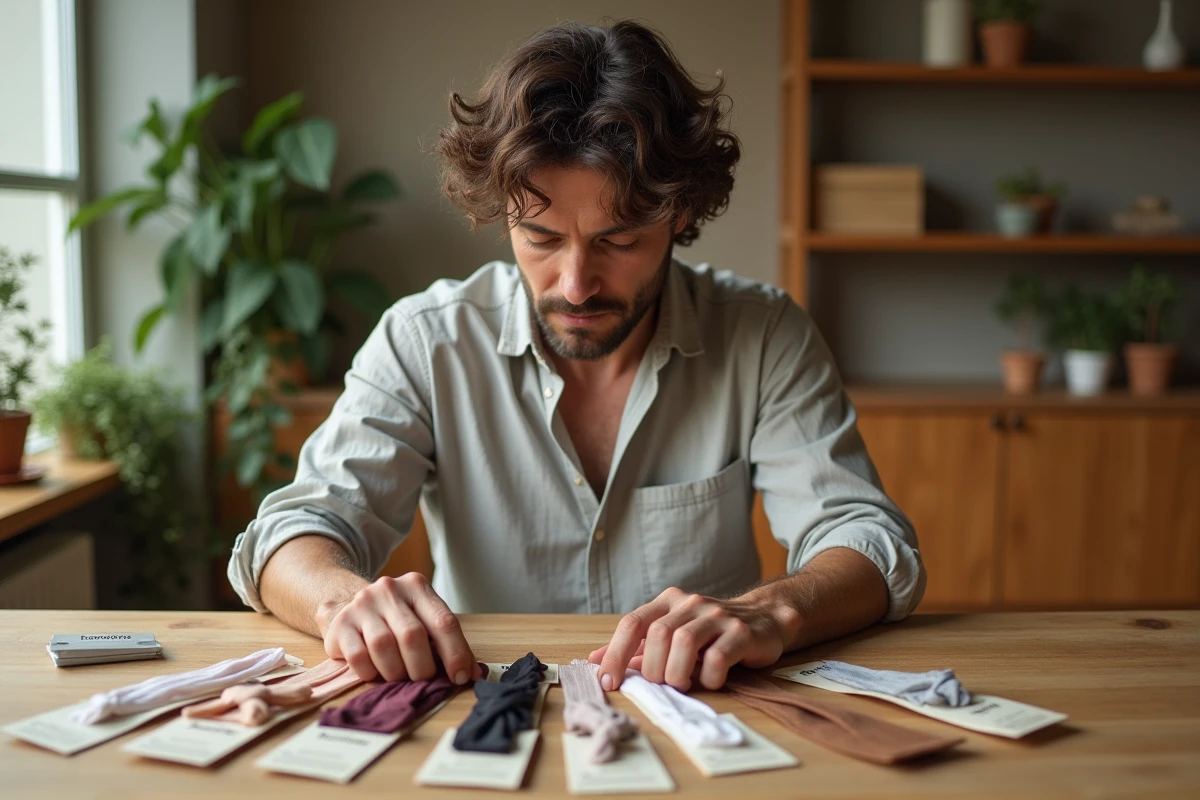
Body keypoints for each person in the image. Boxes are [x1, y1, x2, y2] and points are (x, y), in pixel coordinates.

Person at [228, 20, 923, 694]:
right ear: (503, 214)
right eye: (540, 237)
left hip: (701, 714)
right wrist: (339, 602)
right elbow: (291, 535)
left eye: (618, 241)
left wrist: (771, 610)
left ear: (680, 215)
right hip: (484, 714)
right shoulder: (424, 341)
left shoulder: (764, 335)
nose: (575, 283)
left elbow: (866, 538)